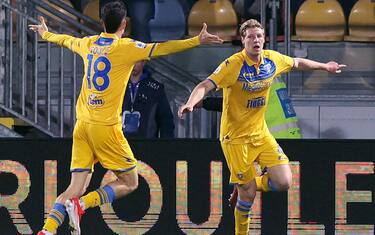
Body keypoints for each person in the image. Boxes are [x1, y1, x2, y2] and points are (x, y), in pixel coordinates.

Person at [29, 1, 223, 234]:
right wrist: (196, 40)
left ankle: (46, 230)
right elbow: (163, 47)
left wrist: (46, 33)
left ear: (101, 22)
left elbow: (64, 40)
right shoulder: (127, 47)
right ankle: (81, 205)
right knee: (131, 182)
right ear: (125, 23)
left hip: (82, 126)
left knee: (74, 186)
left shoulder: (87, 43)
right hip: (106, 129)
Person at [178, 19, 345, 235]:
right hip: (235, 139)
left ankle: (247, 183)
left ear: (264, 38)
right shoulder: (233, 65)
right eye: (250, 37)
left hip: (261, 134)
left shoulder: (272, 60)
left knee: (284, 181)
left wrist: (325, 67)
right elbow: (205, 85)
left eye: (259, 36)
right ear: (243, 40)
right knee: (248, 196)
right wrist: (191, 103)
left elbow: (297, 62)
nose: (255, 40)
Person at [122, 60, 175, 138]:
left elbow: (166, 120)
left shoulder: (155, 89)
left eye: (137, 61)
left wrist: (166, 146)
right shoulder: (117, 86)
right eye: (131, 60)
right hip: (119, 144)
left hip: (147, 144)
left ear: (144, 62)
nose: (133, 65)